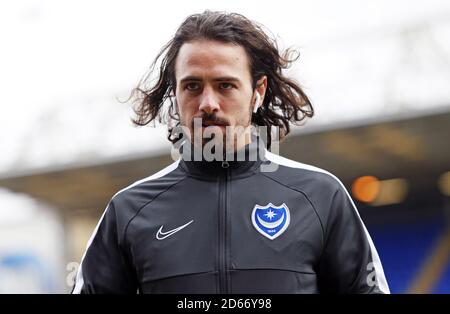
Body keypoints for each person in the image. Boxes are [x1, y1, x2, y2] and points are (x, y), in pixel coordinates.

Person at [71, 10, 389, 294]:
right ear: (176, 93)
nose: (208, 103)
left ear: (258, 92)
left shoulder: (321, 196)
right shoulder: (129, 210)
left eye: (225, 85)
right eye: (192, 86)